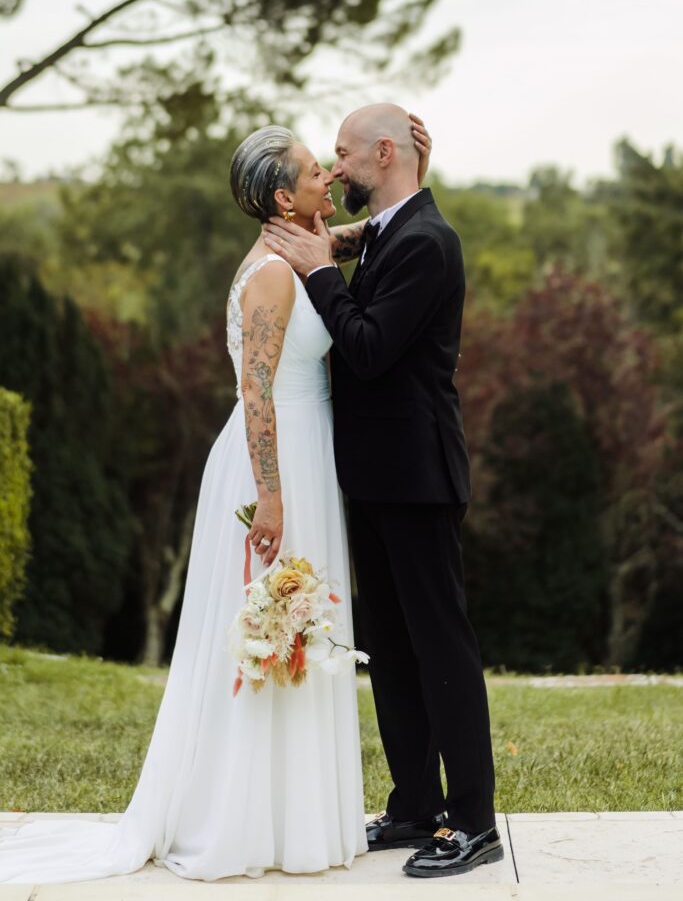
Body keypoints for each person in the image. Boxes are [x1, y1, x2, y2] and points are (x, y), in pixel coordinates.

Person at [0, 119, 431, 885]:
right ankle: (236, 820)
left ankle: (294, 818)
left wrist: (422, 165)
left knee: (303, 638)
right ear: (278, 196)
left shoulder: (304, 248)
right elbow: (254, 389)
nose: (325, 179)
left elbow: (381, 229)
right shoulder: (271, 272)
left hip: (306, 458)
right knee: (264, 637)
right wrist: (269, 497)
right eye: (310, 172)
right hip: (273, 466)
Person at [262, 103, 502, 879]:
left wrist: (320, 272)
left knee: (441, 648)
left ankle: (471, 821)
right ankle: (412, 805)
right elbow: (372, 235)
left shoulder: (430, 243)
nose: (333, 171)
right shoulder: (395, 229)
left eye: (343, 155)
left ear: (387, 152)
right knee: (392, 651)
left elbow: (365, 348)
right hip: (370, 476)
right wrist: (332, 245)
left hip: (418, 478)